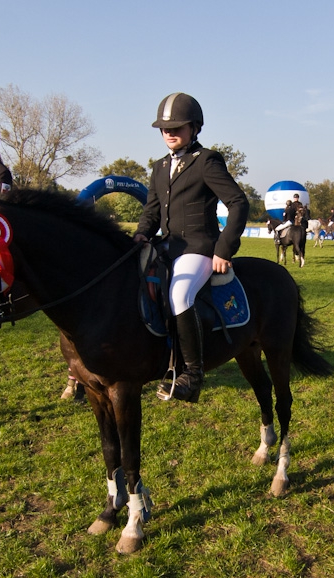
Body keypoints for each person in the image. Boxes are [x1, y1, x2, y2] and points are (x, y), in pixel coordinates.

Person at [134, 92, 249, 403]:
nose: (169, 133)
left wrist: (224, 249)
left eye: (177, 127)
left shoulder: (207, 161)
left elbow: (238, 203)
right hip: (166, 246)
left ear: (195, 128)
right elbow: (152, 211)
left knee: (180, 294)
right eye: (164, 128)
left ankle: (193, 374)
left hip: (199, 247)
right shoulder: (158, 167)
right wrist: (142, 235)